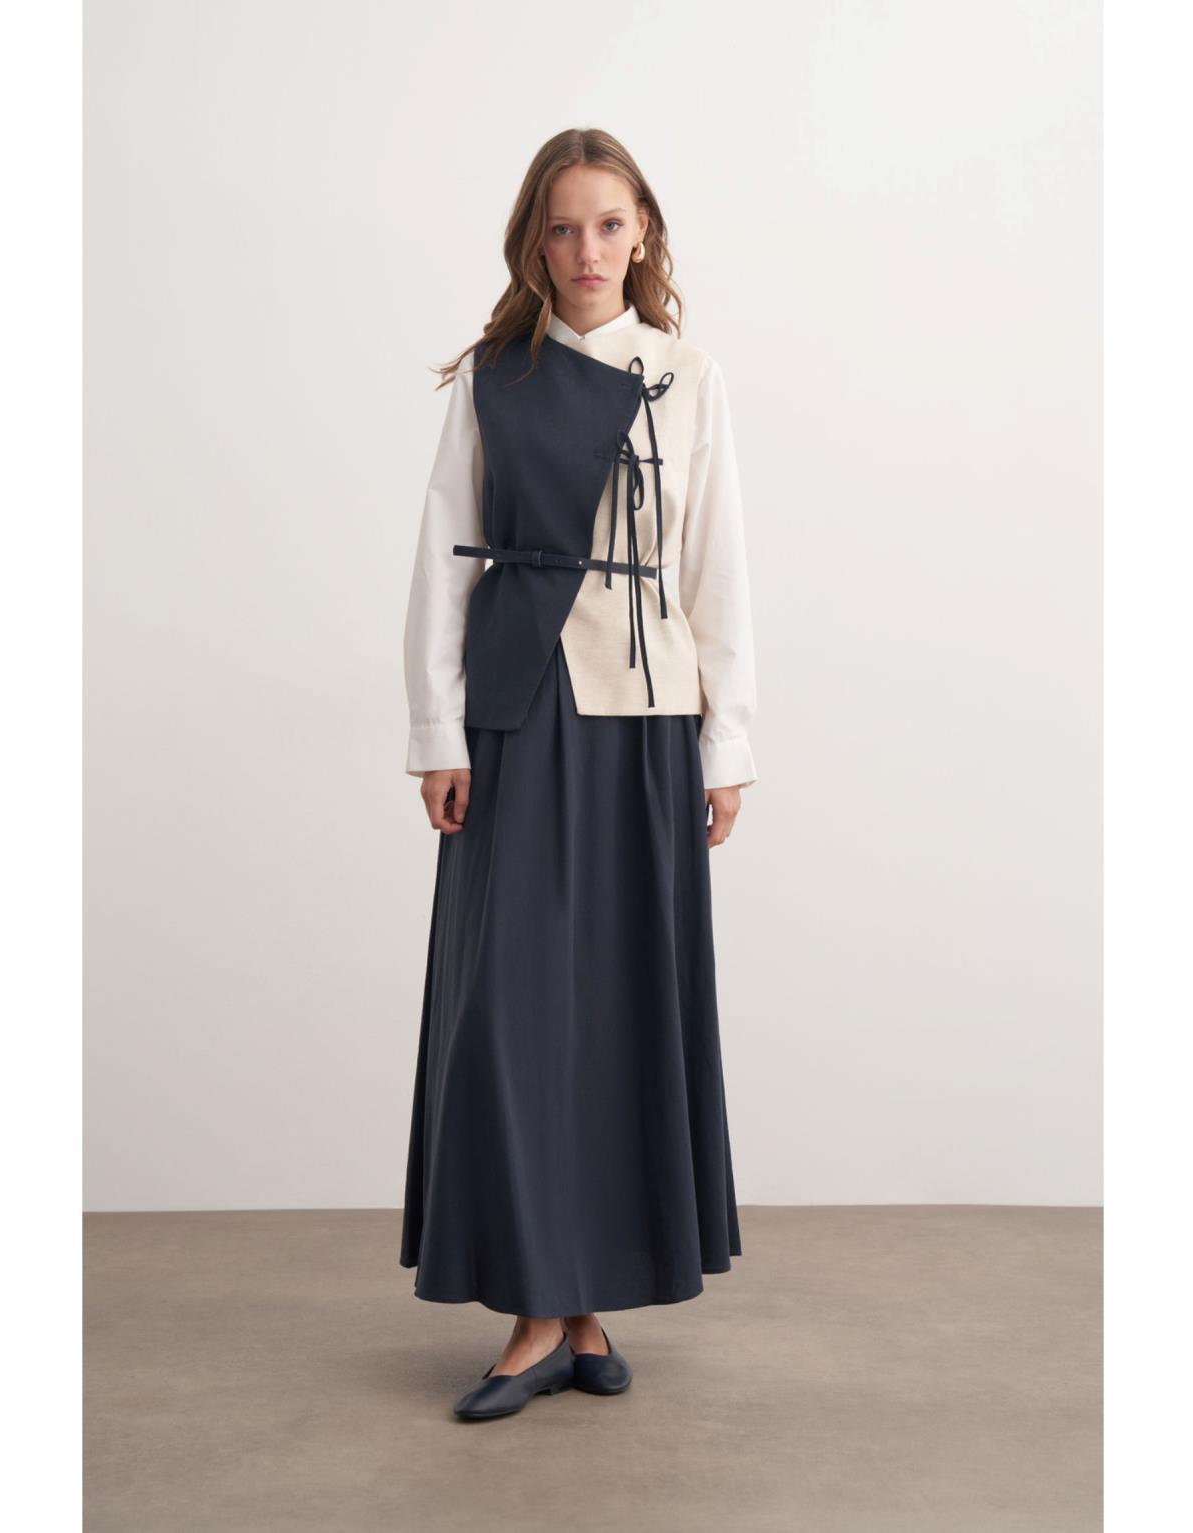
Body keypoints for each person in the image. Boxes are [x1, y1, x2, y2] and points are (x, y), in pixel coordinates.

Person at [399, 127, 758, 1421]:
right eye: (562, 227)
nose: (587, 250)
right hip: (517, 710)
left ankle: (582, 1306)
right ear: (533, 243)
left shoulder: (686, 376)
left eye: (609, 224)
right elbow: (443, 554)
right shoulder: (493, 378)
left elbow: (717, 565)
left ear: (642, 230)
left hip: (646, 717)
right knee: (510, 1013)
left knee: (616, 1009)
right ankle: (536, 1310)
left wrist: (728, 741)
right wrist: (438, 732)